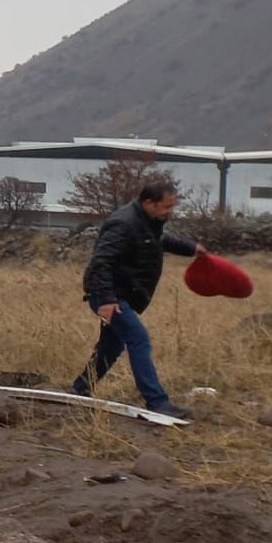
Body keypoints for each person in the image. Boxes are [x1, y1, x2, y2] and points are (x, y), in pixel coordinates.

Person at [71, 177, 202, 418]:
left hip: (124, 294)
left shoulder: (148, 221)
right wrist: (107, 299)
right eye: (166, 207)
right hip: (110, 294)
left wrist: (192, 248)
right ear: (149, 203)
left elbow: (160, 240)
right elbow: (102, 261)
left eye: (172, 206)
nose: (170, 212)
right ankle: (157, 402)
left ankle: (81, 388)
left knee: (111, 346)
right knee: (138, 338)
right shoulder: (123, 223)